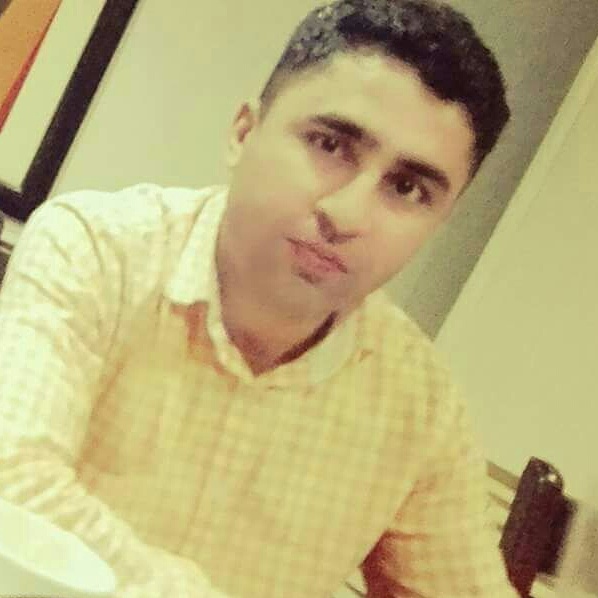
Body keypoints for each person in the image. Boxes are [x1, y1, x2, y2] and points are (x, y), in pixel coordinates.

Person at [0, 1, 518, 597]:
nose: (347, 214)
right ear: (243, 132)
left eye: (407, 187)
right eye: (330, 144)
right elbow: (14, 485)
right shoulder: (97, 249)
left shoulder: (419, 405)